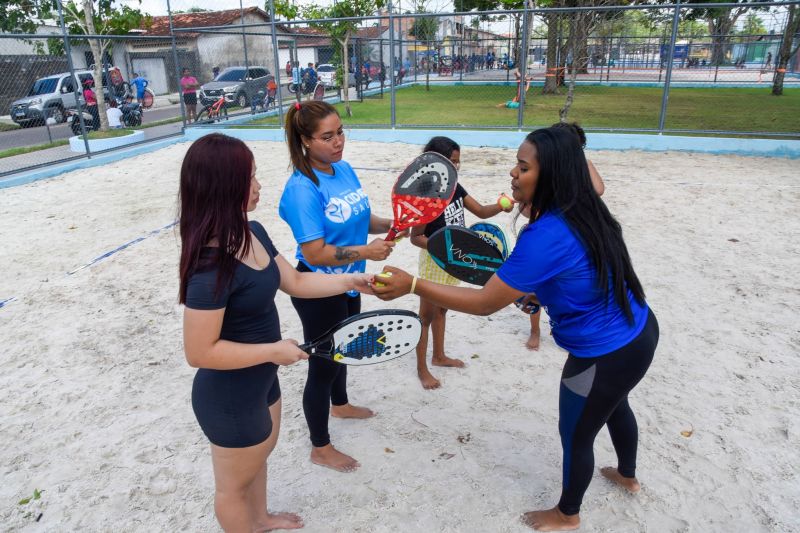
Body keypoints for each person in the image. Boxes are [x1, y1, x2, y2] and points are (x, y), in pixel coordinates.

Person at [372, 126, 658, 532]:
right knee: (616, 405)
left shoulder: (545, 236)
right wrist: (537, 295)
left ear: (552, 176)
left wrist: (413, 284)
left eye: (523, 167)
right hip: (640, 332)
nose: (513, 173)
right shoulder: (581, 208)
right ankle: (627, 475)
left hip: (603, 352)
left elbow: (486, 303)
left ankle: (567, 515)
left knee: (576, 432)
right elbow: (576, 269)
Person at [179, 133, 376, 532]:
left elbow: (298, 283)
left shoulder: (251, 231)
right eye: (249, 178)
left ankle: (261, 518)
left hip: (261, 382)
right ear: (224, 186)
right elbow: (199, 352)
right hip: (230, 397)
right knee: (232, 488)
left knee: (260, 456)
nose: (258, 185)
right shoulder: (210, 265)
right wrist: (273, 350)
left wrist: (354, 280)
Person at [279, 101, 402, 473]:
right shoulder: (302, 189)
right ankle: (320, 446)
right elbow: (314, 251)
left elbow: (363, 218)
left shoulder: (343, 169)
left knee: (344, 350)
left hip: (353, 282)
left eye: (340, 132)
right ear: (304, 140)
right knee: (323, 365)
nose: (338, 142)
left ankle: (342, 404)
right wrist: (366, 251)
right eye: (327, 136)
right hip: (318, 288)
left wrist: (397, 225)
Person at [411, 136, 514, 390]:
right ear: (434, 162)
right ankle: (422, 369)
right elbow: (416, 238)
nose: (455, 167)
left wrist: (502, 207)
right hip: (436, 261)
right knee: (425, 316)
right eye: (450, 161)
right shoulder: (426, 195)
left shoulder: (455, 186)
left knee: (443, 308)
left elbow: (479, 211)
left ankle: (439, 356)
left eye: (457, 162)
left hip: (455, 258)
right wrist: (443, 250)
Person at [521, 122, 605, 351]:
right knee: (537, 286)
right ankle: (535, 330)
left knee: (559, 286)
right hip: (544, 236)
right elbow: (526, 207)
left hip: (571, 236)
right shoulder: (543, 169)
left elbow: (598, 189)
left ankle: (557, 321)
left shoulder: (582, 166)